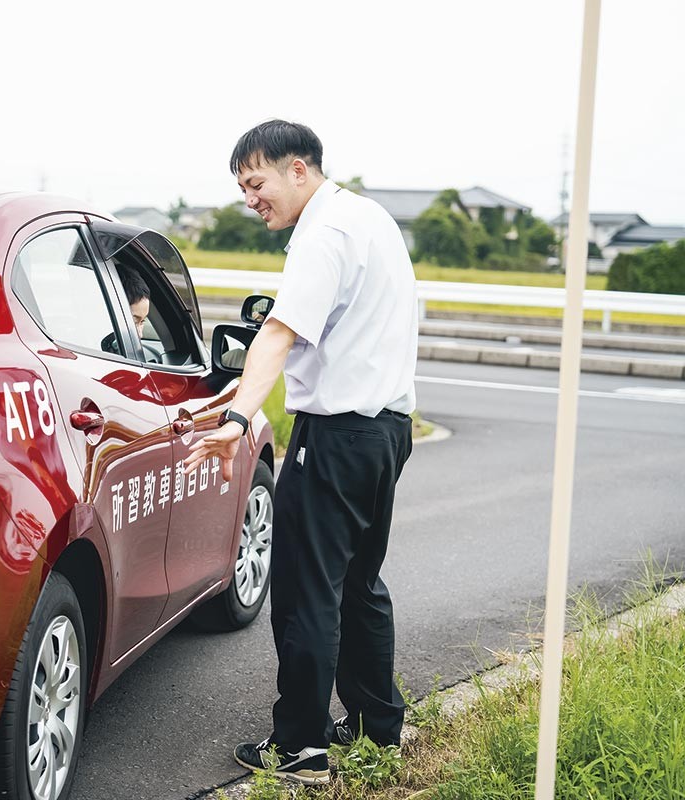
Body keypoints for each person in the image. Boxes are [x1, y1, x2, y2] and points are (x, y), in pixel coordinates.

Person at [184, 120, 418, 786]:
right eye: (241, 188)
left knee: (304, 592)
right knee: (357, 585)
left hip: (338, 435)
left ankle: (300, 749)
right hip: (386, 430)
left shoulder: (322, 237)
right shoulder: (369, 219)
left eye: (255, 183)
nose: (250, 199)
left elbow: (279, 334)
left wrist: (235, 418)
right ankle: (377, 730)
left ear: (298, 169)